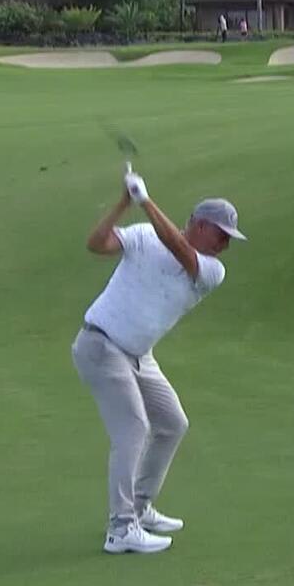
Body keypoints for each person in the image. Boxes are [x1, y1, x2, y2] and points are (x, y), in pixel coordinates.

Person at [75, 166, 246, 553]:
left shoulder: (212, 271)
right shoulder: (143, 237)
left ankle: (138, 505)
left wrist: (145, 201)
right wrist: (124, 201)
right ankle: (121, 529)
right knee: (134, 429)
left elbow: (181, 251)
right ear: (199, 225)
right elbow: (96, 244)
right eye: (221, 234)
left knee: (171, 423)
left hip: (138, 354)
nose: (226, 244)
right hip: (101, 345)